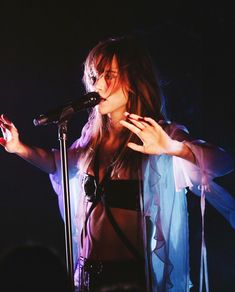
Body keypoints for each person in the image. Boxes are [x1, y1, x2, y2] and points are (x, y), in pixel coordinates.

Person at [0, 35, 234, 291]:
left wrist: (172, 147)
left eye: (108, 75)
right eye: (93, 76)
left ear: (133, 80)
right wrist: (20, 148)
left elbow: (222, 162)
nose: (98, 84)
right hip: (87, 277)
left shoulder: (158, 132)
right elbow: (58, 164)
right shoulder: (92, 137)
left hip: (129, 280)